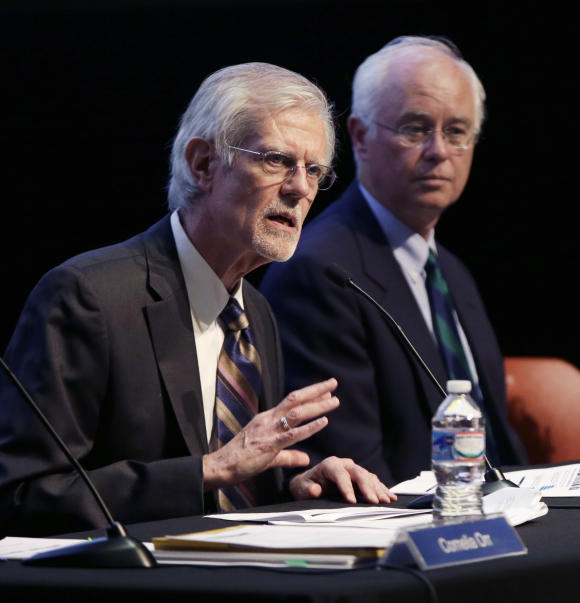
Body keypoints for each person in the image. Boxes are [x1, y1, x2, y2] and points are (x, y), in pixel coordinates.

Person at [0, 62, 395, 537]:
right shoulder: (89, 297)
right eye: (276, 160)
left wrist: (290, 494)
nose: (301, 188)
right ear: (203, 164)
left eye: (314, 170)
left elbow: (229, 490)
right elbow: (22, 497)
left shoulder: (256, 313)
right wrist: (209, 470)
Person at [260, 36, 527, 486]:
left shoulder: (452, 275)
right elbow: (355, 472)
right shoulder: (321, 272)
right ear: (360, 136)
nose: (439, 151)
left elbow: (497, 442)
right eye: (415, 129)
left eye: (457, 132)